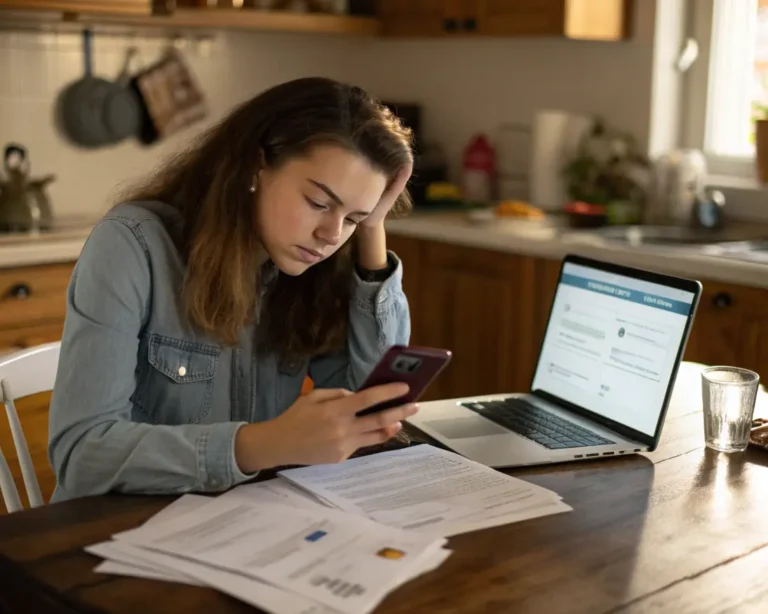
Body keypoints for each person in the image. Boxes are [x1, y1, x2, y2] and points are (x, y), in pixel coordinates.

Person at [47, 77, 418, 502]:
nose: (331, 234)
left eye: (352, 217)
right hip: (118, 531)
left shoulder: (313, 267)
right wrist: (262, 444)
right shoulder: (133, 245)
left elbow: (367, 406)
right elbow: (81, 456)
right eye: (318, 203)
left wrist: (372, 232)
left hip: (246, 526)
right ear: (255, 166)